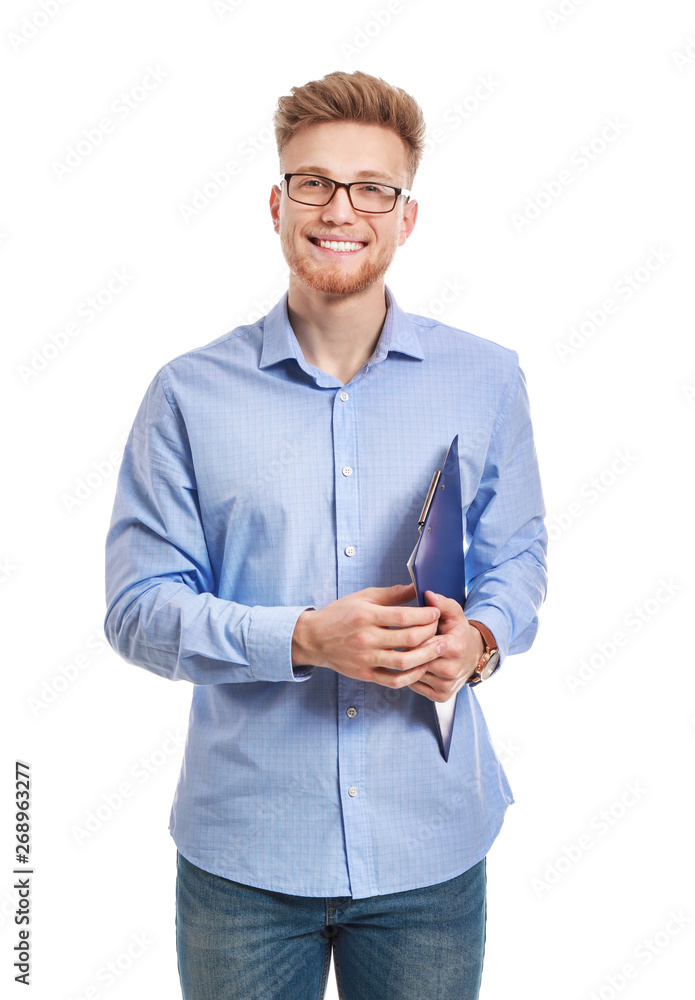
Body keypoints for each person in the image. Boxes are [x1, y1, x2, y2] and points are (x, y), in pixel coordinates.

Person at [104, 69, 548, 1000]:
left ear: (405, 217)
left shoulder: (486, 378)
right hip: (244, 858)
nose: (340, 209)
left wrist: (479, 642)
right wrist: (303, 638)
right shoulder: (187, 394)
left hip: (430, 844)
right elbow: (139, 611)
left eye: (372, 188)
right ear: (277, 204)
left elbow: (517, 558)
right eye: (313, 182)